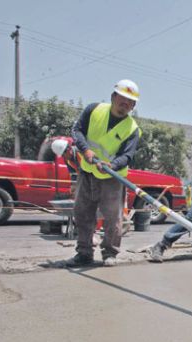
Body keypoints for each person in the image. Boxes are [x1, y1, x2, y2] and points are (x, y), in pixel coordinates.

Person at [63, 79, 142, 268]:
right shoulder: (94, 110)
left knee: (113, 218)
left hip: (112, 177)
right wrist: (85, 150)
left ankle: (110, 252)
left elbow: (128, 155)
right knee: (83, 213)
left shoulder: (132, 129)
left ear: (133, 106)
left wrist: (112, 165)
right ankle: (84, 253)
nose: (124, 104)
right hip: (88, 171)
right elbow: (77, 131)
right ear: (113, 97)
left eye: (129, 102)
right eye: (122, 99)